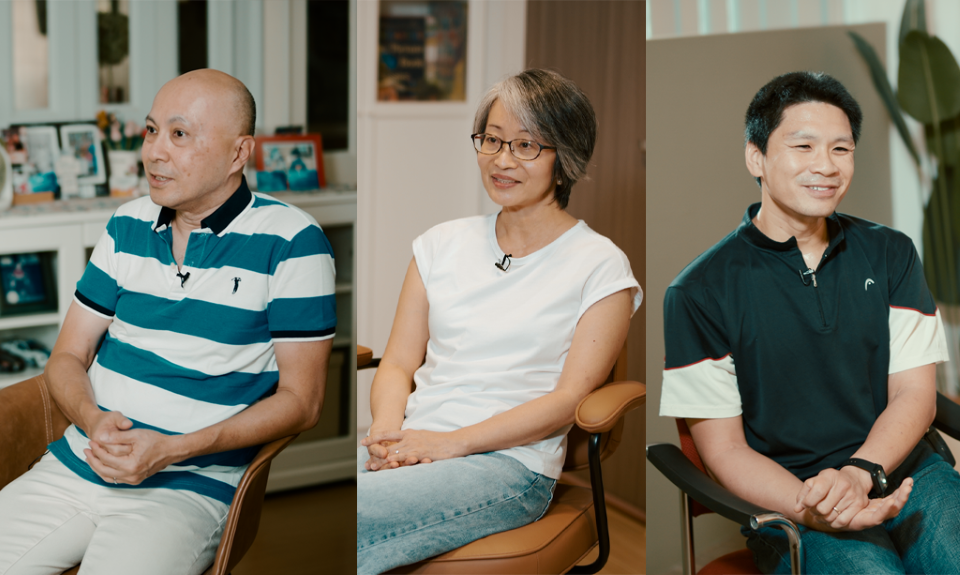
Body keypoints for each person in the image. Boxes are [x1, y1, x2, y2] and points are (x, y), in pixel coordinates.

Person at [0, 69, 336, 575]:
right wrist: (94, 423)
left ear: (238, 153)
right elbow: (68, 355)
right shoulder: (127, 224)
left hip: (187, 491)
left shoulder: (291, 242)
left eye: (179, 135)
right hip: (75, 466)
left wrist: (172, 450)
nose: (155, 152)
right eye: (151, 131)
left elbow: (302, 402)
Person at [660, 71, 960, 574]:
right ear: (756, 157)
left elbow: (915, 394)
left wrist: (860, 474)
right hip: (793, 497)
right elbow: (725, 450)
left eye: (841, 149)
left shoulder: (891, 253)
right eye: (804, 146)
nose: (826, 166)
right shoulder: (697, 292)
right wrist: (815, 505)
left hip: (906, 470)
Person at [356, 69, 642, 575]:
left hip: (508, 465)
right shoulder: (440, 244)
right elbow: (398, 361)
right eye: (491, 139)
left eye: (526, 145)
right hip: (411, 442)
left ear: (565, 159)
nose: (502, 160)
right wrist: (385, 432)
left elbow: (569, 400)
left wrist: (448, 444)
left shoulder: (599, 264)